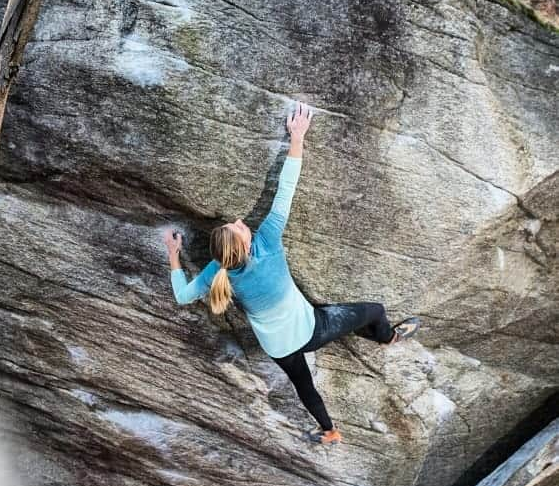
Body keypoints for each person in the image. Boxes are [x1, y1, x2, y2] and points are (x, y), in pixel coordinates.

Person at [163, 102, 420, 445]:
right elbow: (286, 190)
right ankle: (387, 337)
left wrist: (173, 256)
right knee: (373, 310)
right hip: (312, 329)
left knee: (303, 385)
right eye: (239, 227)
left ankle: (330, 432)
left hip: (278, 347)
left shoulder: (217, 270)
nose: (241, 222)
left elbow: (182, 296)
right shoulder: (267, 241)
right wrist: (297, 136)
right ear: (242, 245)